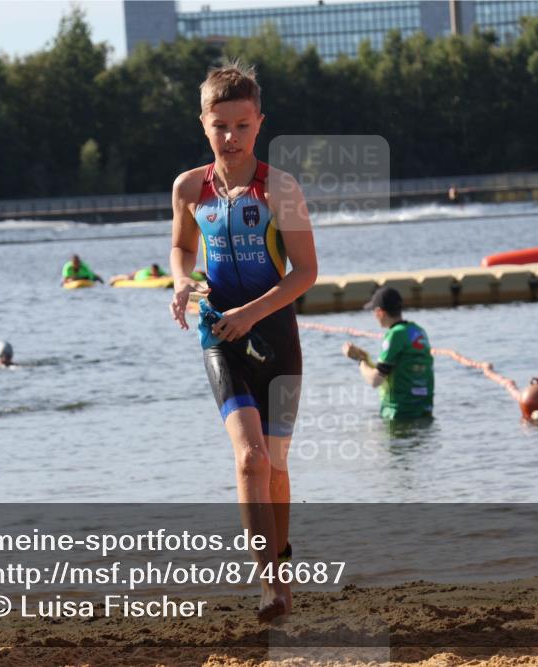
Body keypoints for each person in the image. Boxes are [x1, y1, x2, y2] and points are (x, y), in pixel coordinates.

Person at [168, 62, 317, 623]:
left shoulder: (281, 188)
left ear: (260, 124)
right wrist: (182, 281)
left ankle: (282, 565)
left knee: (276, 466)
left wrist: (252, 314)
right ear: (203, 123)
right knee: (250, 457)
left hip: (275, 336)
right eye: (219, 126)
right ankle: (270, 585)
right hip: (218, 338)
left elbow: (305, 273)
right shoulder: (189, 187)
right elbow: (182, 250)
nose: (231, 138)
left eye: (242, 126)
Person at [343, 287, 435, 421]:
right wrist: (367, 357)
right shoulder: (418, 331)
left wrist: (360, 360)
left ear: (380, 312)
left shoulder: (395, 335)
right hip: (424, 411)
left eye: (374, 311)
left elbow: (375, 380)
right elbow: (394, 371)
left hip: (399, 414)